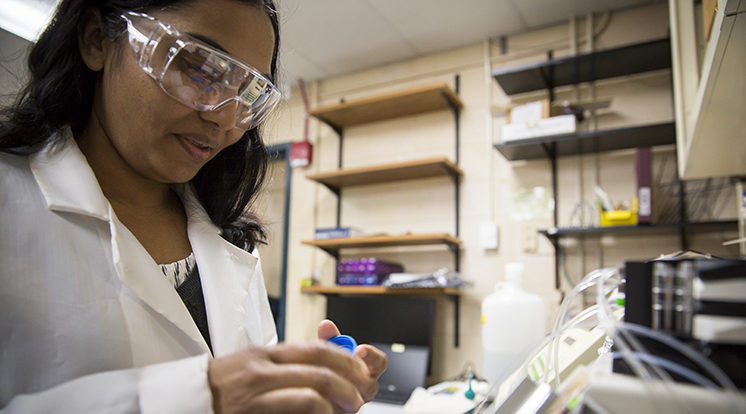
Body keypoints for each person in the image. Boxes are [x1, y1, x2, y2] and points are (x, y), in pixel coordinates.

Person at [0, 0, 386, 412]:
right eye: (200, 67)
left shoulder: (233, 242)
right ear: (96, 38)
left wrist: (300, 395)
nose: (226, 118)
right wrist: (201, 397)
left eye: (247, 92)